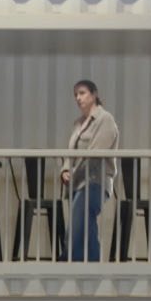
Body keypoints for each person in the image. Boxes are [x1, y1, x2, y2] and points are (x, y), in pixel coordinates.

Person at [60, 78, 118, 263]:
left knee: (81, 214)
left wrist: (74, 170)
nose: (78, 98)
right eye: (76, 94)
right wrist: (65, 170)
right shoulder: (78, 124)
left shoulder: (104, 119)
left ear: (94, 95)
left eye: (82, 93)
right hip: (78, 182)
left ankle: (68, 259)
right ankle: (93, 263)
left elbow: (94, 154)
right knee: (86, 222)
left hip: (96, 181)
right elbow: (70, 153)